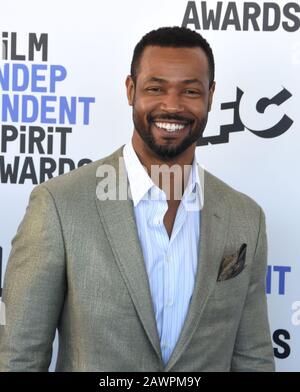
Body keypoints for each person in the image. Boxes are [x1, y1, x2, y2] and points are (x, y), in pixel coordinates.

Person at [0, 26, 275, 372]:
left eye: (190, 90)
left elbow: (253, 358)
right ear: (131, 90)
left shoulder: (245, 217)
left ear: (210, 95)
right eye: (155, 88)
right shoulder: (59, 205)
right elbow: (19, 358)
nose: (172, 105)